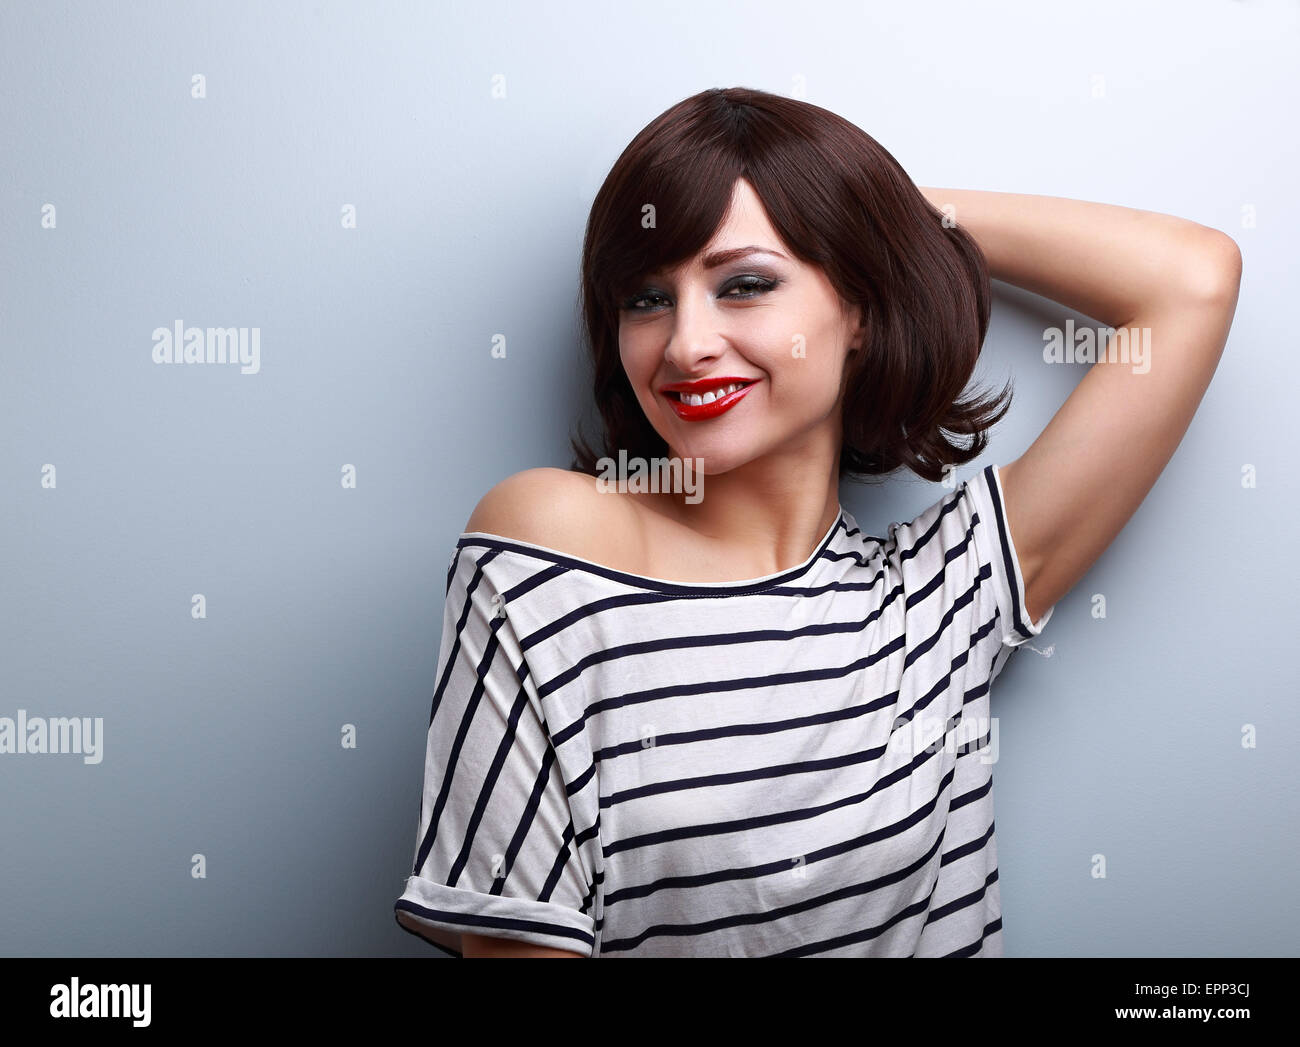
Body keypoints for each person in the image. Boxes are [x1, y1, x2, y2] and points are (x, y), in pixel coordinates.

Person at [393, 86, 1242, 957]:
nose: (685, 344)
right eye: (647, 298)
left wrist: (886, 218)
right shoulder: (547, 550)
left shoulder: (938, 602)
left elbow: (1191, 281)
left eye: (746, 283)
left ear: (861, 312)